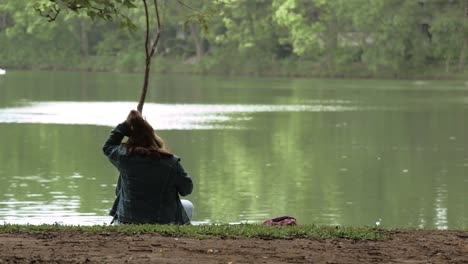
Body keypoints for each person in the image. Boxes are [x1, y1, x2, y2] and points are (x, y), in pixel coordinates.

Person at [102, 110, 193, 225]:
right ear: (152, 137)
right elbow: (187, 189)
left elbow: (108, 145)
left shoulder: (125, 158)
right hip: (162, 222)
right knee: (188, 205)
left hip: (126, 222)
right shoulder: (170, 162)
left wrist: (126, 124)